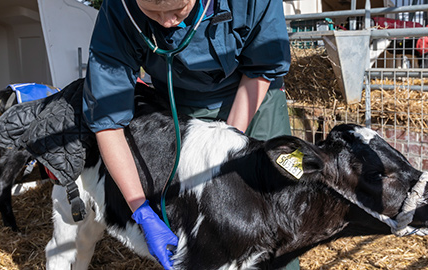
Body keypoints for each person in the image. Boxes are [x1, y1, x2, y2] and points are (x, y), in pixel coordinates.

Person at [82, 0, 296, 269]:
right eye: (152, 12)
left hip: (255, 93)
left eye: (177, 9)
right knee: (198, 214)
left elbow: (263, 65)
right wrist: (141, 210)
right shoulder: (117, 10)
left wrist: (223, 146)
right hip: (179, 99)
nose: (167, 22)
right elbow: (107, 119)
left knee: (275, 196)